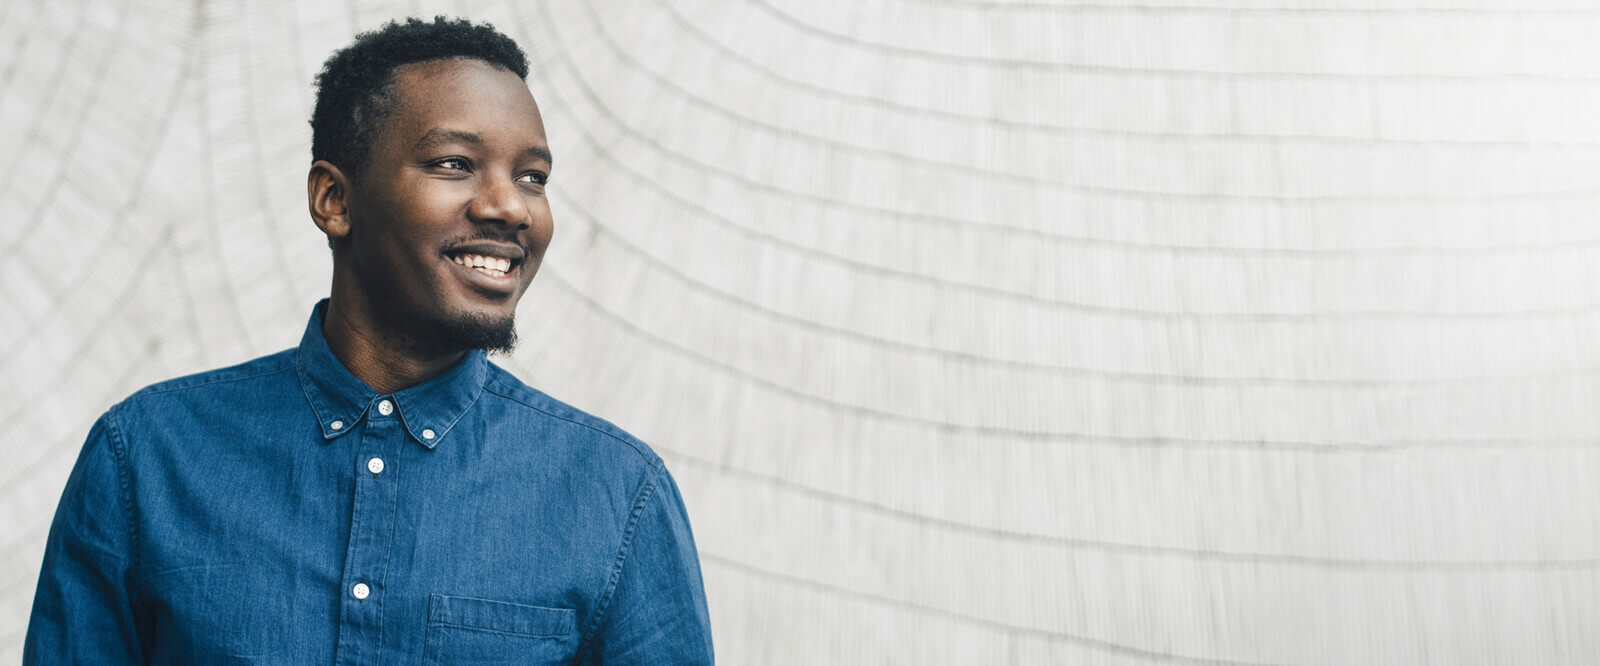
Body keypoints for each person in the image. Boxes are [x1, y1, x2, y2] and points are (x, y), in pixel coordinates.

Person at [23, 17, 713, 664]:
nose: (509, 205)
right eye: (454, 163)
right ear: (335, 200)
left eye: (532, 177)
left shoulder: (616, 494)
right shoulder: (146, 456)